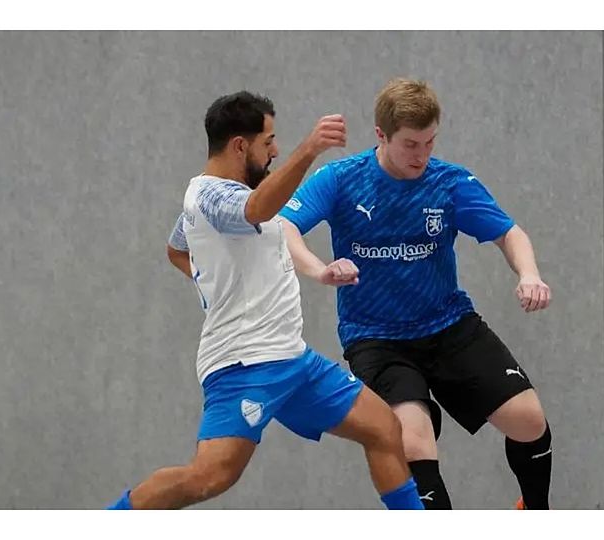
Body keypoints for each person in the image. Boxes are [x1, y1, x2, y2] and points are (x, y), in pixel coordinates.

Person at [106, 91, 423, 510]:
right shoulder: (211, 197)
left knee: (384, 428)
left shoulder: (219, 199)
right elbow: (255, 208)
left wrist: (221, 283)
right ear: (240, 145)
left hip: (292, 359)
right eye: (268, 141)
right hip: (244, 364)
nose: (274, 150)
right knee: (209, 477)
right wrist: (310, 149)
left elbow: (177, 249)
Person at [277, 78, 554, 510]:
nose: (421, 155)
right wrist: (320, 270)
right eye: (410, 144)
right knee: (412, 440)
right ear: (381, 136)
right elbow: (284, 226)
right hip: (377, 338)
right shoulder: (340, 180)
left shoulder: (448, 182)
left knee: (529, 420)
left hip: (448, 325)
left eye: (429, 142)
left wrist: (529, 274)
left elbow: (509, 233)